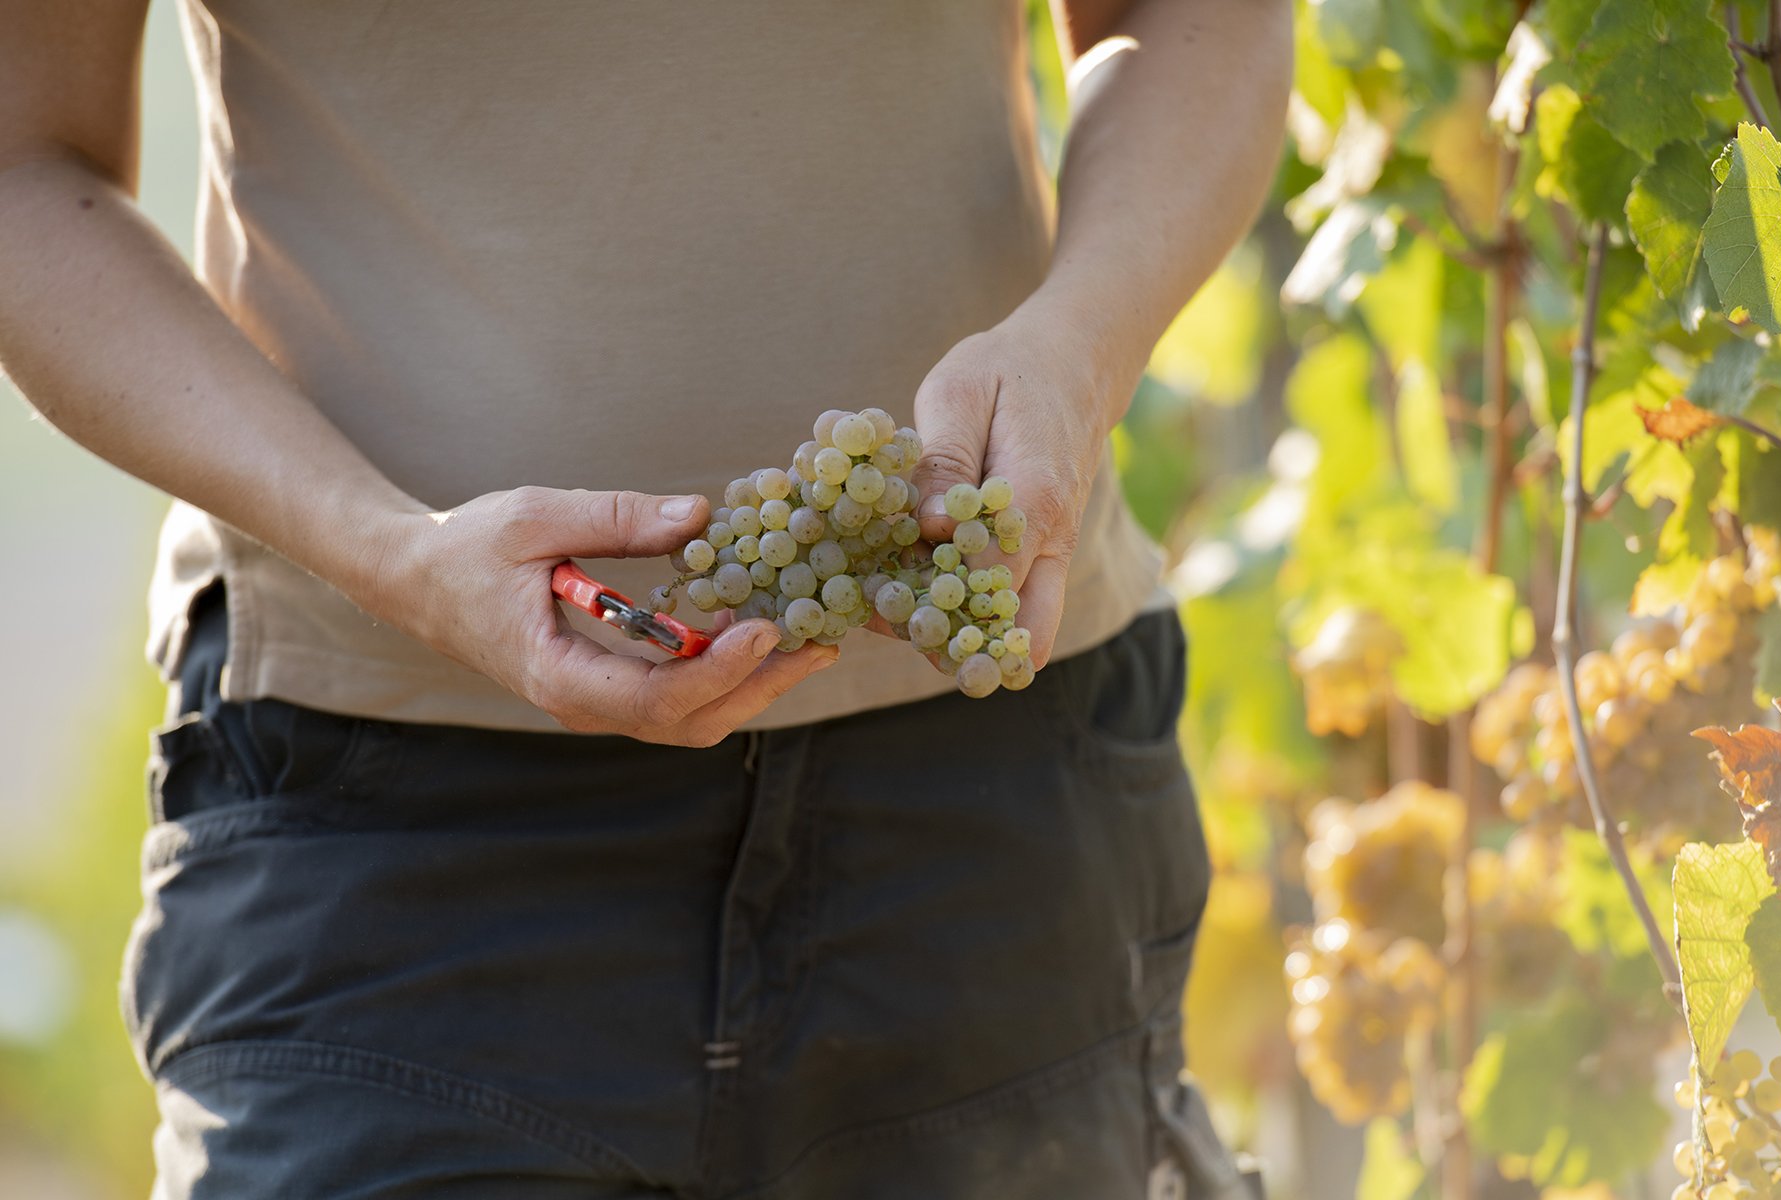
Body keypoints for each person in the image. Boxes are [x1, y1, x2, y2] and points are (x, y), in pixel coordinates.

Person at [2, 1, 1290, 1195]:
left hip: (989, 796)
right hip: (384, 826)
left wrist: (1083, 342)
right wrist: (388, 551)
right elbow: (21, 164)